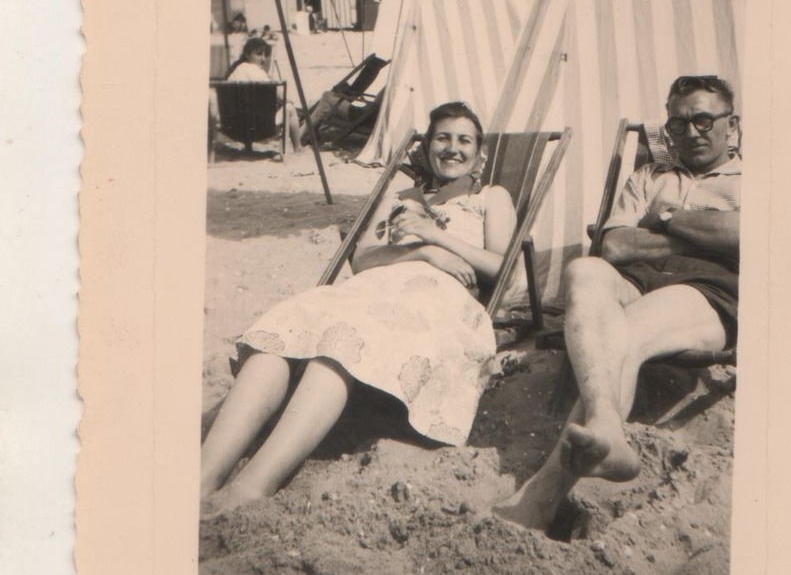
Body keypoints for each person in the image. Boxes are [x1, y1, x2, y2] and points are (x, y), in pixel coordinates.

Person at [201, 101, 517, 513]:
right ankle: (205, 476)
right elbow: (363, 257)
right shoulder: (401, 196)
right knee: (282, 329)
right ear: (426, 147)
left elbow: (501, 267)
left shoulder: (491, 197)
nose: (452, 149)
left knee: (341, 346)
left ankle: (251, 488)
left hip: (437, 301)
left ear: (481, 153)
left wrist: (435, 239)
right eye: (442, 138)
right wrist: (422, 252)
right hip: (373, 287)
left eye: (464, 140)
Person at [495, 75, 741, 533]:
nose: (691, 132)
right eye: (679, 123)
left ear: (733, 124)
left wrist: (666, 217)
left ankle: (540, 498)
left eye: (704, 119)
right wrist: (701, 233)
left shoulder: (755, 176)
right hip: (635, 281)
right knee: (582, 271)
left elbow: (746, 238)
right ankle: (607, 424)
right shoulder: (649, 175)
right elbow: (613, 247)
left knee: (625, 328)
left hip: (708, 291)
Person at [225, 37, 302, 151]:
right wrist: (287, 100)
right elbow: (281, 97)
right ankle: (298, 148)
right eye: (259, 54)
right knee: (290, 108)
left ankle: (248, 147)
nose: (263, 59)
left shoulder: (235, 71)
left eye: (265, 55)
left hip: (233, 127)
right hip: (258, 127)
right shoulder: (255, 72)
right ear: (247, 54)